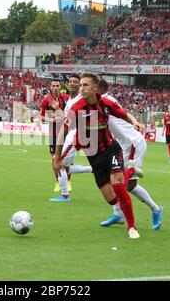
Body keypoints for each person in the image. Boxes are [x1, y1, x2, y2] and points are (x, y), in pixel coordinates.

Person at [53, 72, 145, 239]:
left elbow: (124, 114)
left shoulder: (105, 103)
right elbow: (63, 131)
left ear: (95, 88)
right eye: (81, 85)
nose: (82, 88)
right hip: (94, 158)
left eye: (85, 85)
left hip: (111, 149)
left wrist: (135, 122)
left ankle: (132, 227)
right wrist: (57, 157)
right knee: (111, 199)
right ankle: (130, 170)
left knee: (118, 184)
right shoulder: (76, 108)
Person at [98, 80, 163, 230]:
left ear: (99, 88)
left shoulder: (105, 101)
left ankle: (156, 209)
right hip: (123, 144)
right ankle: (118, 214)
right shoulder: (102, 101)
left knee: (127, 184)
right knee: (114, 180)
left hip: (132, 143)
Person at [50, 74, 92, 202]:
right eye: (70, 82)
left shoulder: (81, 99)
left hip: (76, 135)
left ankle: (65, 196)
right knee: (61, 164)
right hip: (72, 134)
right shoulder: (70, 100)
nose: (72, 84)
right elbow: (66, 119)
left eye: (76, 82)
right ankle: (94, 168)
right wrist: (57, 108)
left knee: (58, 162)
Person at [41, 79, 69, 193]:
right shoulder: (46, 100)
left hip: (66, 132)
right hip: (53, 133)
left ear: (60, 86)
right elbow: (42, 116)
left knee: (67, 159)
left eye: (57, 85)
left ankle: (68, 181)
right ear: (50, 87)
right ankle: (58, 182)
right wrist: (51, 119)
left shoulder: (66, 99)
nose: (56, 87)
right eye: (53, 86)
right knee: (54, 159)